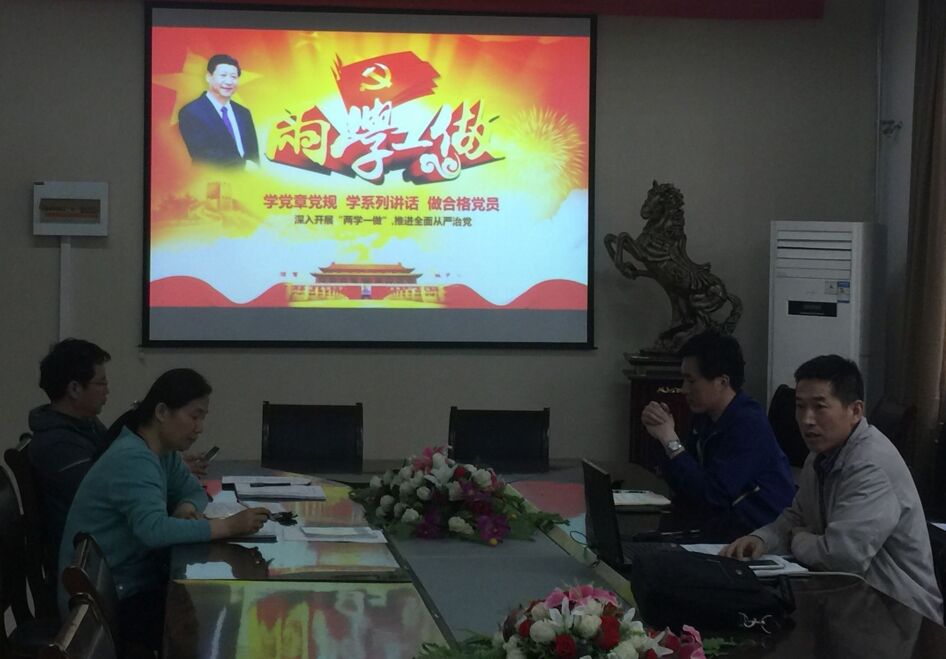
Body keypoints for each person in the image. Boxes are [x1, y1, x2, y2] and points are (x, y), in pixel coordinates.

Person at [58, 368, 268, 651]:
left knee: (215, 609)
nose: (200, 428)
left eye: (203, 418)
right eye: (194, 416)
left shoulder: (161, 452)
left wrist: (185, 506)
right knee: (214, 617)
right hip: (107, 600)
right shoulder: (134, 458)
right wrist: (227, 526)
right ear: (161, 412)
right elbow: (153, 531)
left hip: (128, 581)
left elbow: (194, 490)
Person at [722, 355, 944, 622]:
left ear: (855, 411)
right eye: (800, 406)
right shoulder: (820, 454)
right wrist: (761, 540)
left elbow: (842, 558)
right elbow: (797, 516)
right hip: (851, 602)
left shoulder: (870, 465)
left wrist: (797, 539)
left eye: (819, 407)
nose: (807, 420)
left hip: (901, 615)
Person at [641, 331, 795, 535]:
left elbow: (713, 496)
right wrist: (662, 437)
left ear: (722, 382)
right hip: (715, 525)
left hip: (752, 533)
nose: (684, 389)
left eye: (691, 381)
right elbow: (684, 482)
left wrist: (670, 440)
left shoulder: (748, 423)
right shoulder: (705, 417)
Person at [29, 338, 111, 589]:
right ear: (74, 389)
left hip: (96, 551)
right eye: (101, 383)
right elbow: (106, 495)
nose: (107, 391)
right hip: (84, 567)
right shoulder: (58, 445)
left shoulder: (85, 425)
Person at [178, 53, 259, 167]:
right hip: (210, 177)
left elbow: (253, 153)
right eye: (223, 75)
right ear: (208, 77)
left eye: (233, 77)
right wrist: (243, 166)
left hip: (248, 177)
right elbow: (202, 154)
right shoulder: (191, 112)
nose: (229, 81)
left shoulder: (243, 113)